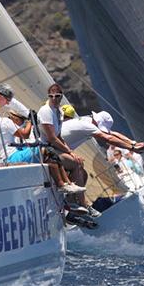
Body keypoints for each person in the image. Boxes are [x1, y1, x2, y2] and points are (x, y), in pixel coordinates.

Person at [0, 101, 83, 195]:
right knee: (48, 151)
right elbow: (25, 135)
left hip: (9, 156)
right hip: (12, 157)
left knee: (48, 151)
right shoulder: (3, 121)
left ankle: (68, 184)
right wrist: (30, 121)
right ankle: (61, 185)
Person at [38, 84, 95, 214]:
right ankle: (80, 203)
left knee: (80, 166)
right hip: (45, 149)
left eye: (57, 96)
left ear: (61, 96)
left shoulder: (59, 112)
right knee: (75, 163)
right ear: (48, 96)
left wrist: (72, 153)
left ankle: (74, 203)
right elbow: (52, 138)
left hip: (53, 148)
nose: (55, 98)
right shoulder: (46, 111)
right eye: (52, 96)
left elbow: (59, 137)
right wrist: (69, 152)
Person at [61, 105, 144, 154]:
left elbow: (112, 134)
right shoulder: (89, 126)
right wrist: (131, 148)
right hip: (56, 147)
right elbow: (109, 139)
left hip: (59, 146)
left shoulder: (86, 119)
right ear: (98, 122)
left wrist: (132, 143)